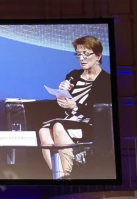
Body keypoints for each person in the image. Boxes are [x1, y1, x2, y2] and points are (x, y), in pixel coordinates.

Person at [38, 35, 112, 180]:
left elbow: (101, 112)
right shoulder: (73, 75)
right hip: (71, 120)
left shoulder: (106, 81)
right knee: (44, 131)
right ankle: (58, 176)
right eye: (78, 54)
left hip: (92, 124)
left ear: (98, 56)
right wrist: (61, 96)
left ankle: (68, 175)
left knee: (58, 126)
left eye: (86, 54)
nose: (82, 58)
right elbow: (64, 108)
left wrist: (75, 106)